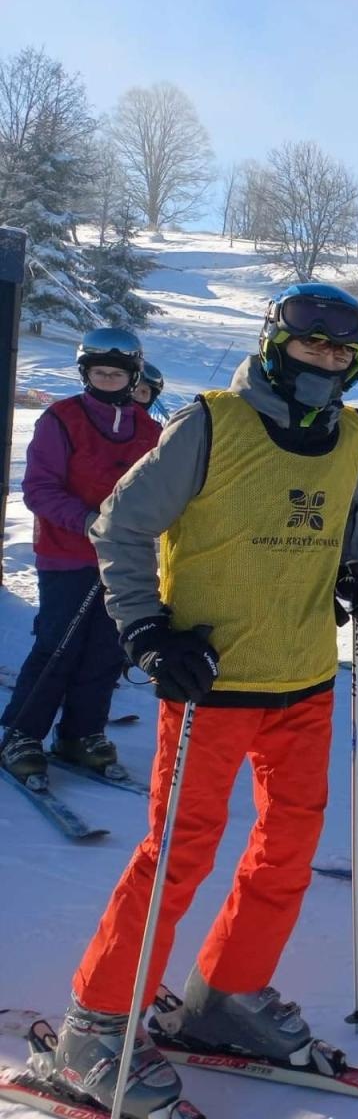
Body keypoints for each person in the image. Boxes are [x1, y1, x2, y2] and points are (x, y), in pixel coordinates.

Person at [51, 283, 358, 1115]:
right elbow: (119, 527)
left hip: (303, 678)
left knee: (287, 850)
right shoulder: (211, 424)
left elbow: (347, 511)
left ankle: (227, 995)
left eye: (342, 351)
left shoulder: (353, 432)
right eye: (313, 344)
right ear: (278, 342)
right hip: (211, 682)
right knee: (178, 854)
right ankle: (95, 1024)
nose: (327, 360)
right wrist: (147, 632)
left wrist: (350, 571)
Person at [0, 330, 162, 786]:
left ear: (132, 378)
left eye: (116, 374)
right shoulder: (62, 419)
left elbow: (160, 490)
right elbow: (39, 488)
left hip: (125, 560)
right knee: (59, 643)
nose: (107, 380)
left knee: (107, 649)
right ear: (85, 373)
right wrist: (92, 522)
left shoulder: (149, 431)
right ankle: (21, 733)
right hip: (67, 553)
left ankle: (81, 733)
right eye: (99, 373)